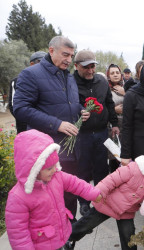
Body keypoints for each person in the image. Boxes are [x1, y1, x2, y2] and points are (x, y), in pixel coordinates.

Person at [13, 36, 90, 218]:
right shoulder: (30, 75)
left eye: (71, 56)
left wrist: (80, 111)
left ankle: (68, 237)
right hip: (46, 153)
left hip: (71, 151)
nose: (69, 60)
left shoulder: (69, 77)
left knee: (69, 196)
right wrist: (57, 124)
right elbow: (21, 109)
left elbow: (70, 103)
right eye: (65, 54)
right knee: (49, 201)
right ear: (51, 50)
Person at [66, 147, 144, 250]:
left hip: (125, 212)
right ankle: (67, 238)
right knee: (86, 224)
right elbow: (112, 180)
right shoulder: (134, 169)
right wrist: (98, 193)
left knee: (128, 237)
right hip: (107, 203)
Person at [5, 129, 101, 250]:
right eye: (49, 168)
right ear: (34, 169)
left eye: (56, 164)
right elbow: (18, 234)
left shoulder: (57, 177)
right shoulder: (18, 196)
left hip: (61, 236)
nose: (55, 169)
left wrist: (94, 194)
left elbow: (75, 183)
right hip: (41, 245)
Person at [73, 50, 119, 216]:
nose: (91, 70)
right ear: (76, 66)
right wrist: (77, 112)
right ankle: (84, 202)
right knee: (83, 170)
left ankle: (101, 199)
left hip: (101, 132)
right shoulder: (70, 83)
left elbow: (109, 103)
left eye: (93, 66)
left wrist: (114, 123)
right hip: (81, 135)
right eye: (87, 67)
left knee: (101, 168)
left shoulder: (101, 81)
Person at [8, 51, 47, 133]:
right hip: (25, 128)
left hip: (45, 127)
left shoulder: (49, 81)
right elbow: (13, 105)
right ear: (32, 64)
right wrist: (28, 122)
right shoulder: (17, 81)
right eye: (40, 62)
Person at [106, 64, 125, 172]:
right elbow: (103, 107)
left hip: (126, 127)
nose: (115, 75)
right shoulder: (106, 89)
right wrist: (114, 109)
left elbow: (134, 104)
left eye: (117, 72)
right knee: (114, 158)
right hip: (112, 128)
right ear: (108, 76)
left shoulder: (126, 88)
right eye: (112, 73)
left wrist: (125, 93)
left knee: (125, 158)